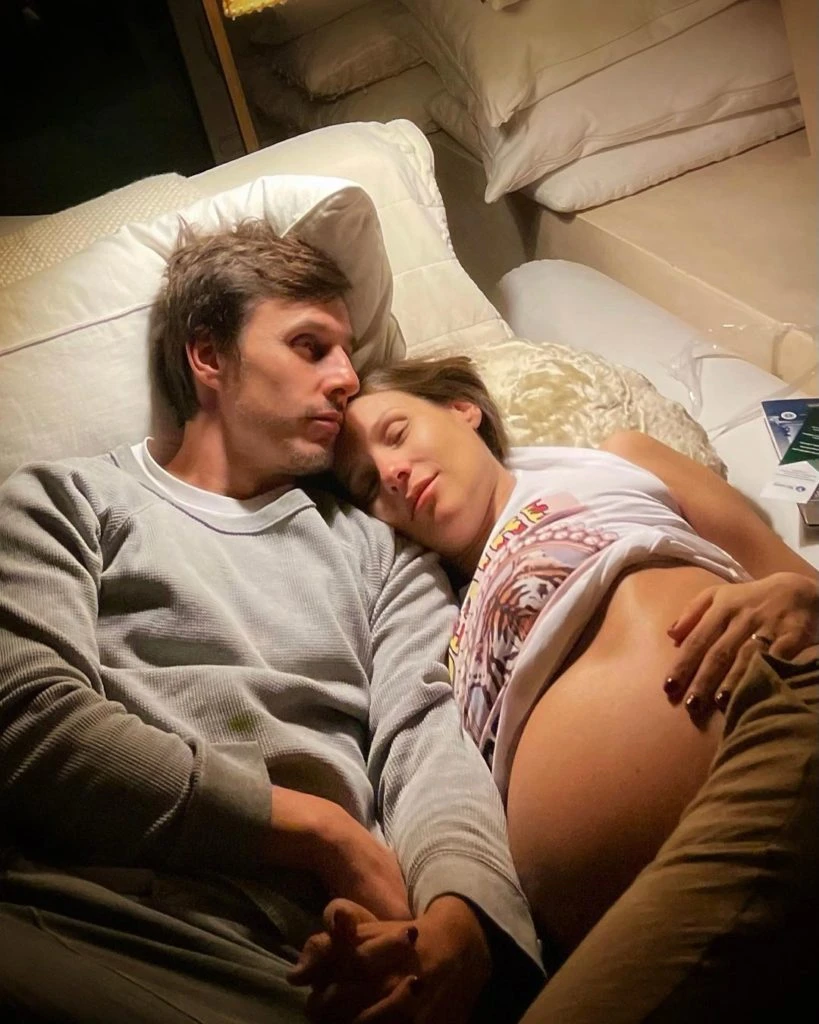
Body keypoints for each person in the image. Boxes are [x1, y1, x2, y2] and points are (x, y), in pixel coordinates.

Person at [0, 223, 544, 1024]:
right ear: (208, 356)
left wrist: (458, 919)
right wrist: (319, 832)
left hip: (317, 954)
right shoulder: (65, 501)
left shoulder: (380, 547)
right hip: (97, 916)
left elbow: (427, 739)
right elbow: (29, 722)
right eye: (309, 346)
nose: (345, 378)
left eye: (347, 352)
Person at [333, 354, 819, 1021]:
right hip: (618, 923)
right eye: (366, 486)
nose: (390, 473)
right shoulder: (425, 610)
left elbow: (795, 577)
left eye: (396, 434)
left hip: (767, 722)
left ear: (460, 410)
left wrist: (800, 597)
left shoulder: (612, 461)